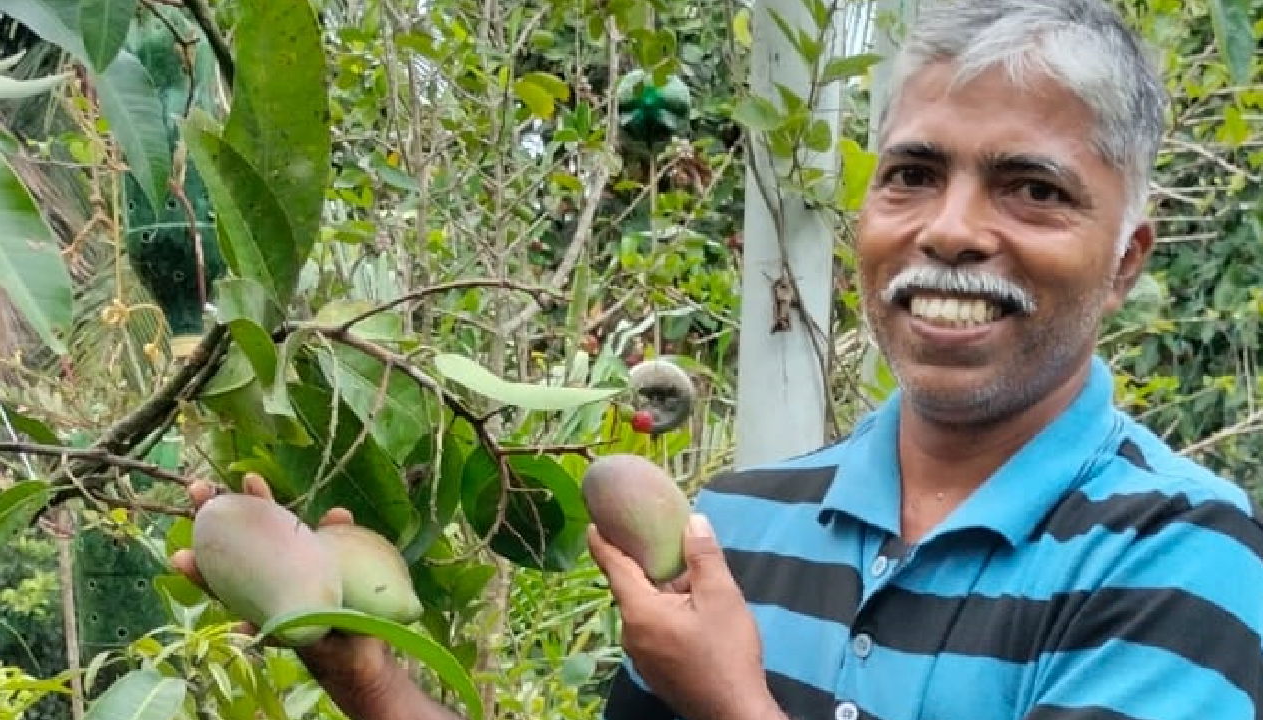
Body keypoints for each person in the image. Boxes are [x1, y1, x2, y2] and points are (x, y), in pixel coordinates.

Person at [173, 1, 1263, 718]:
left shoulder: (1181, 562)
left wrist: (731, 703)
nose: (949, 229)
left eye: (1032, 188)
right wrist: (353, 656)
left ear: (1124, 260)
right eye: (910, 174)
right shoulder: (734, 525)